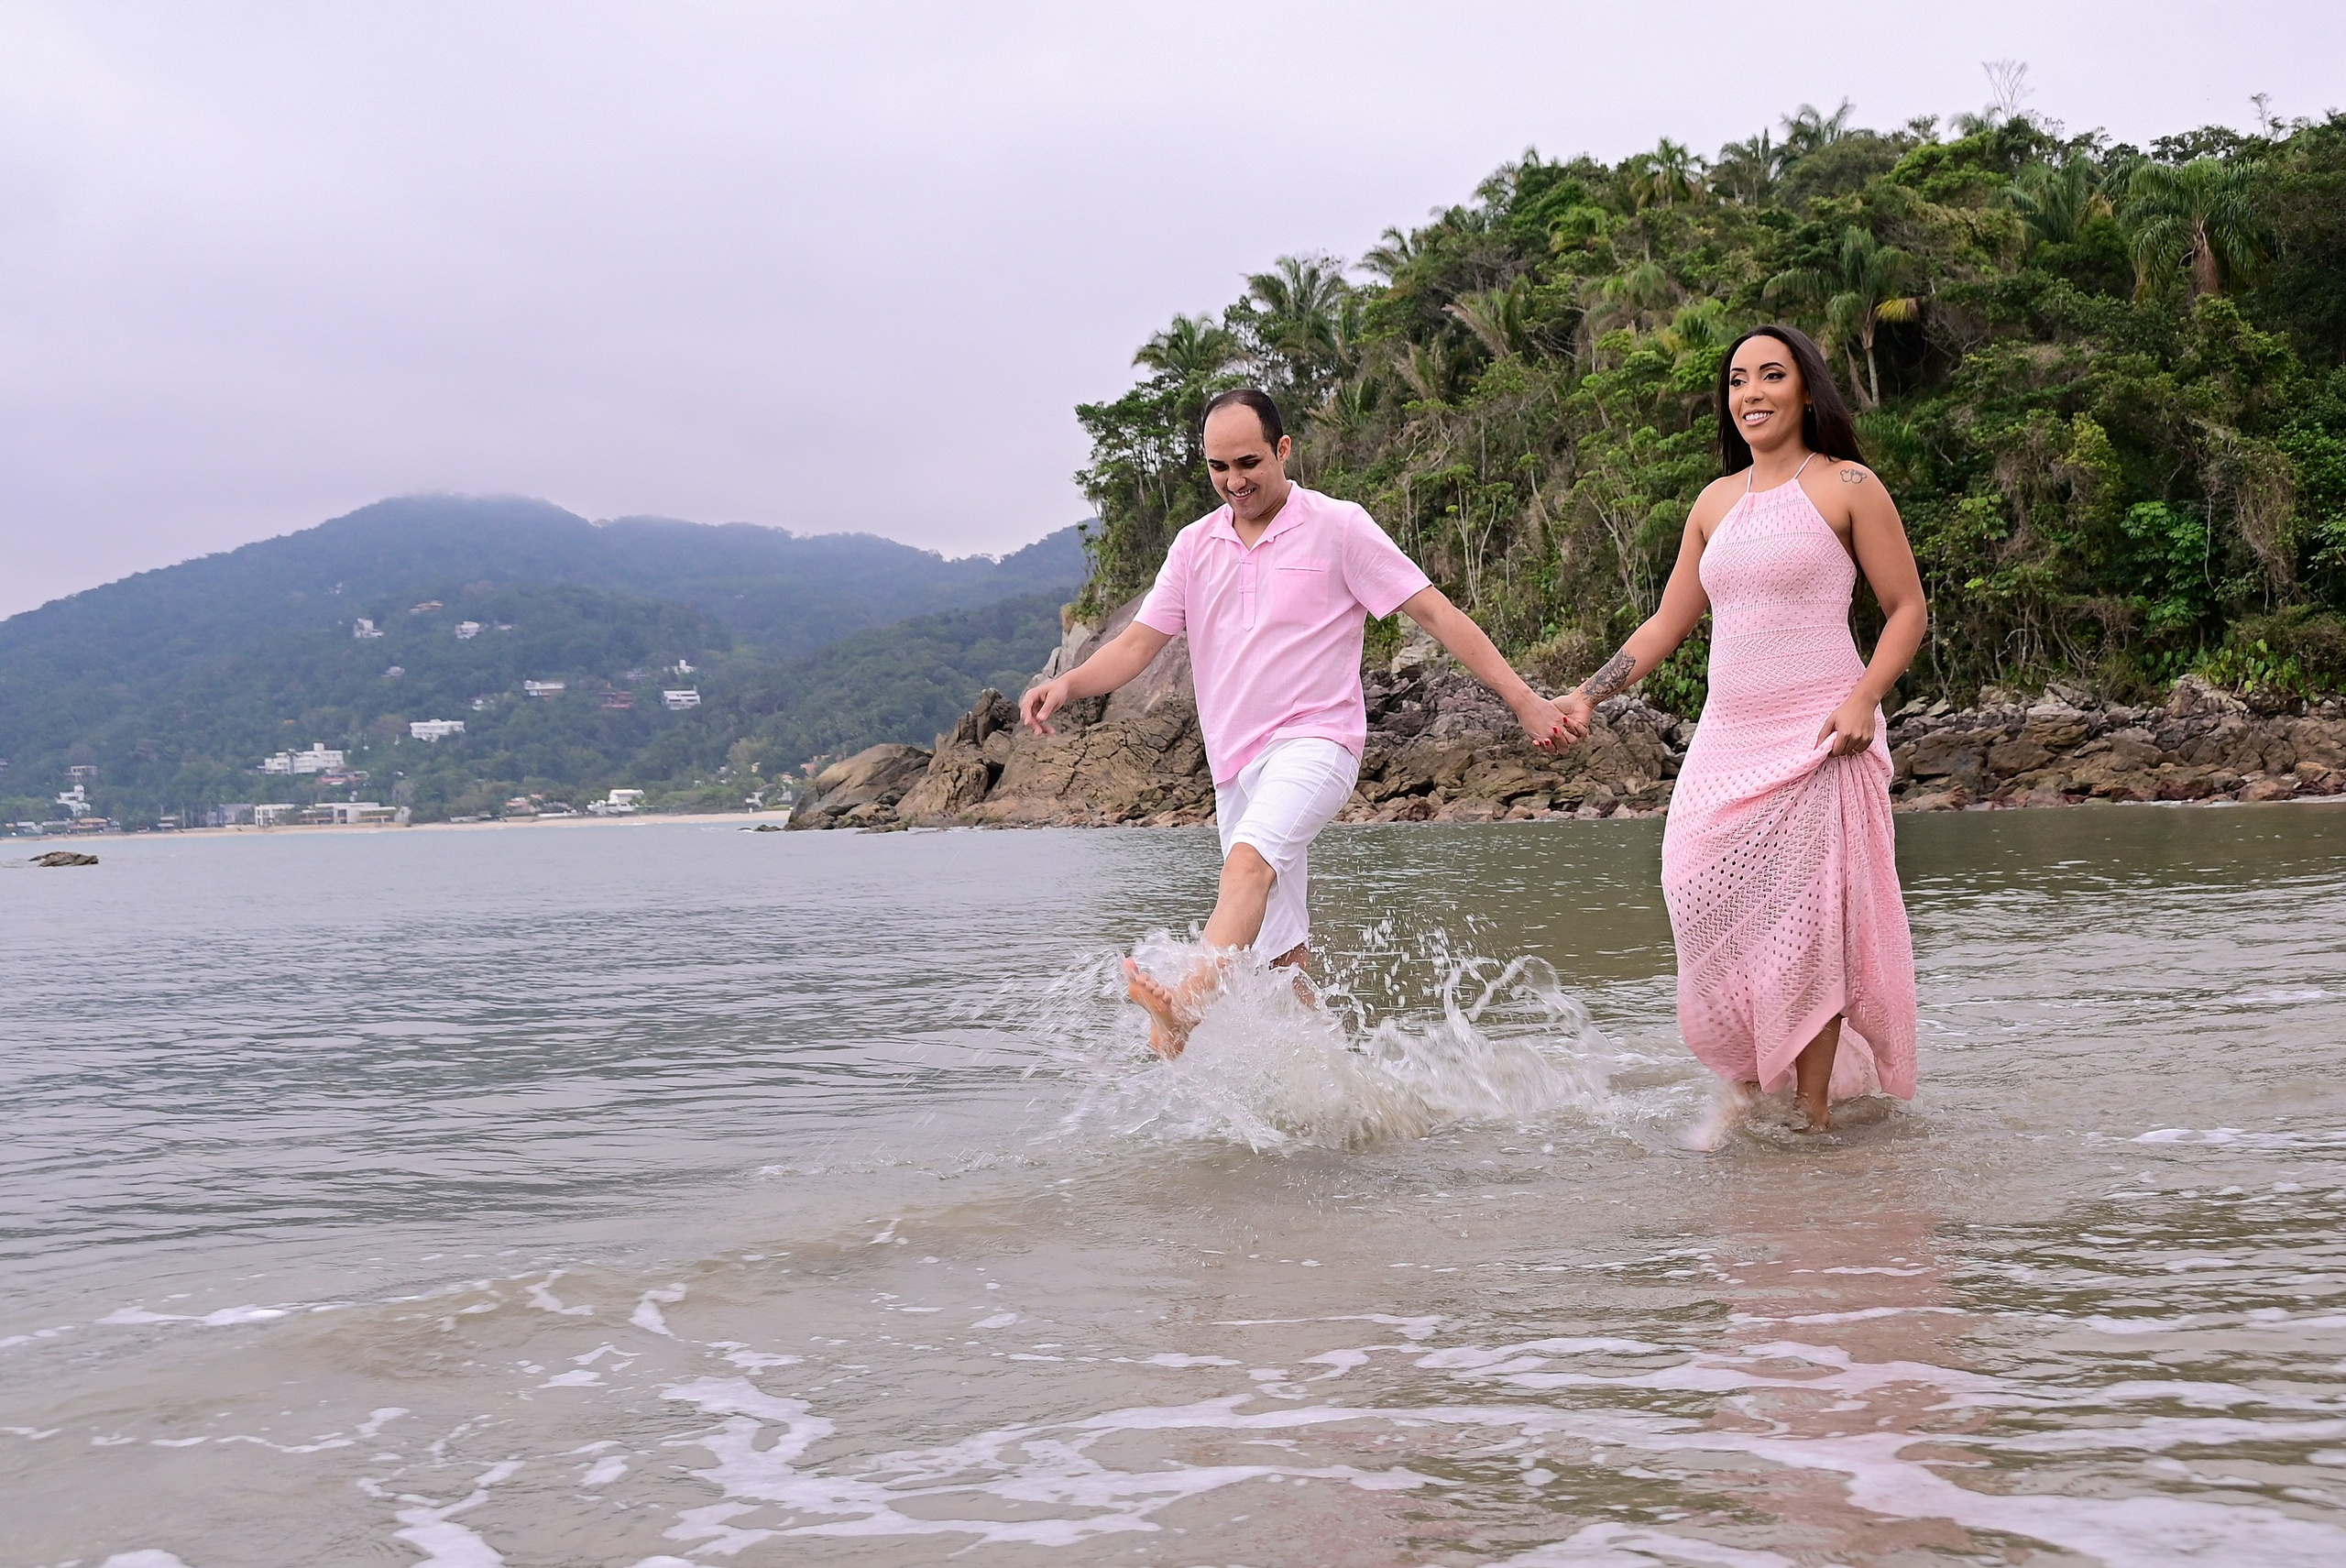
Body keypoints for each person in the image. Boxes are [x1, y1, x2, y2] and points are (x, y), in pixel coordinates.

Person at [1022, 388, 1581, 1058]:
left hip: (1317, 745)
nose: (1235, 481)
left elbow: (1433, 612)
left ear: (1284, 449)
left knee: (1247, 867)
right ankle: (1342, 1089)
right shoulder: (1195, 546)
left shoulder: (1338, 526)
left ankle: (1190, 1001)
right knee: (1283, 964)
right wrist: (1067, 684)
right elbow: (1137, 646)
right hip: (1235, 769)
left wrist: (1523, 698)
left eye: (1249, 462)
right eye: (1218, 467)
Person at [1556, 325, 1926, 1133]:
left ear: (1805, 389)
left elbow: (1907, 610)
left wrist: (1864, 698)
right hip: (1727, 741)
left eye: (1770, 375)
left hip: (1821, 734)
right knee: (1693, 889)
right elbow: (1666, 622)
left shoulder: (1849, 484)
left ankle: (1812, 1108)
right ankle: (1749, 1075)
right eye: (1737, 381)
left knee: (1810, 925)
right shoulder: (1715, 503)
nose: (1751, 392)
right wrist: (1589, 692)